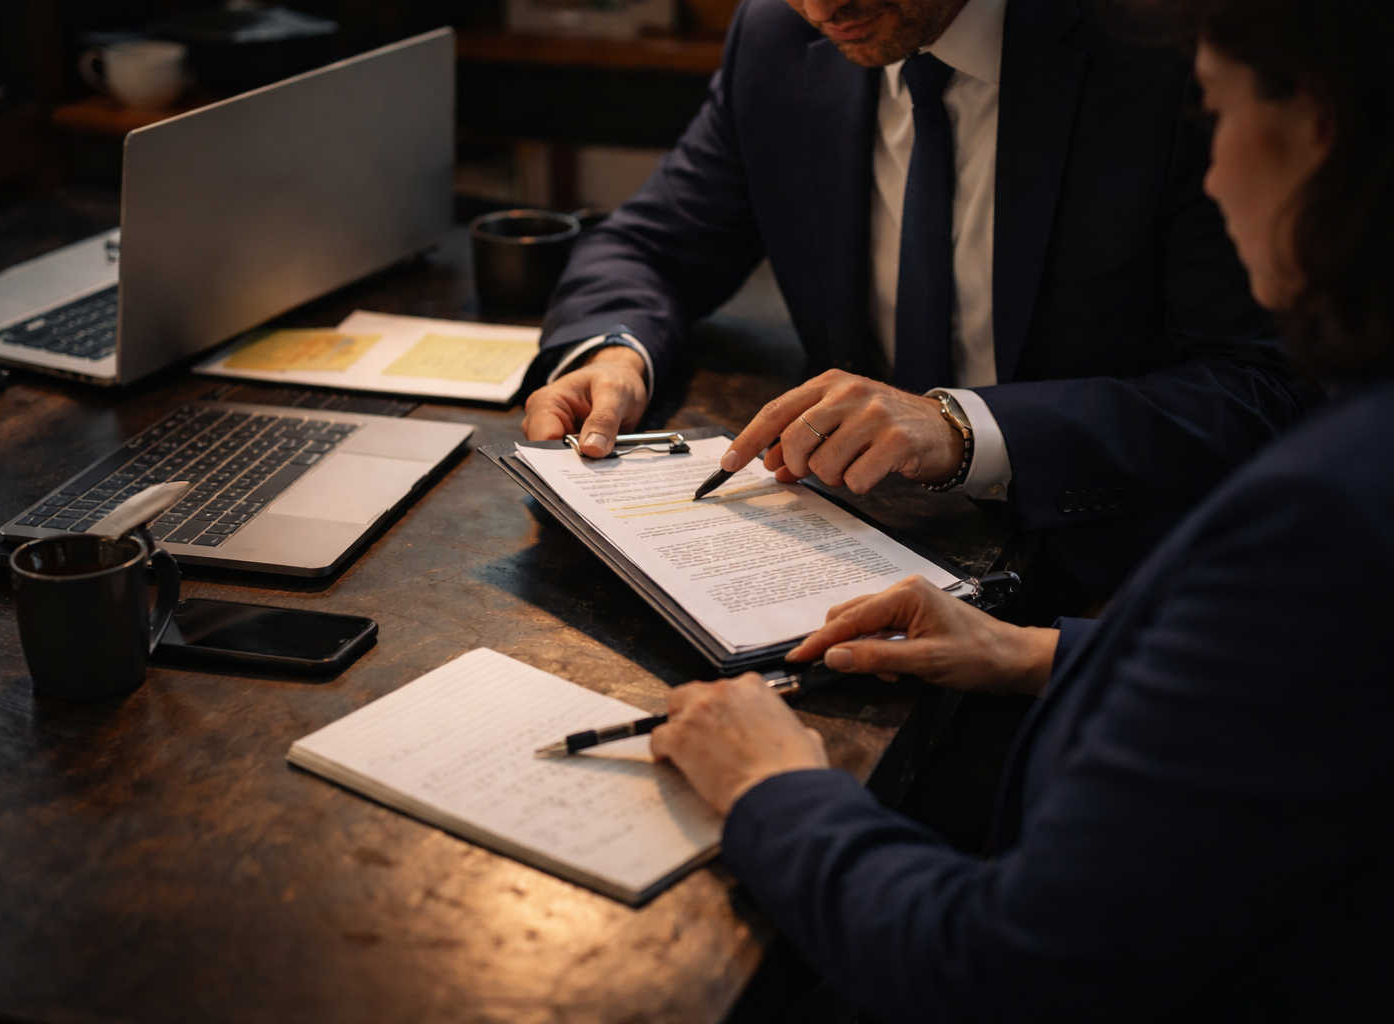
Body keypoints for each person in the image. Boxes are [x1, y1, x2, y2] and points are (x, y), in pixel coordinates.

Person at [649, 0, 1394, 1017]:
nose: (1213, 174)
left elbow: (1003, 968)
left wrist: (774, 786)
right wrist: (1037, 653)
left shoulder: (1318, 525)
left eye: (1217, 115)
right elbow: (1311, 695)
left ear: (1320, 129)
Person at [522, 0, 1319, 615]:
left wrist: (965, 428)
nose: (824, 5)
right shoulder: (776, 36)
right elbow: (654, 244)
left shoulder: (1161, 52)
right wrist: (615, 351)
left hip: (1109, 582)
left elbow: (1265, 387)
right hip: (839, 541)